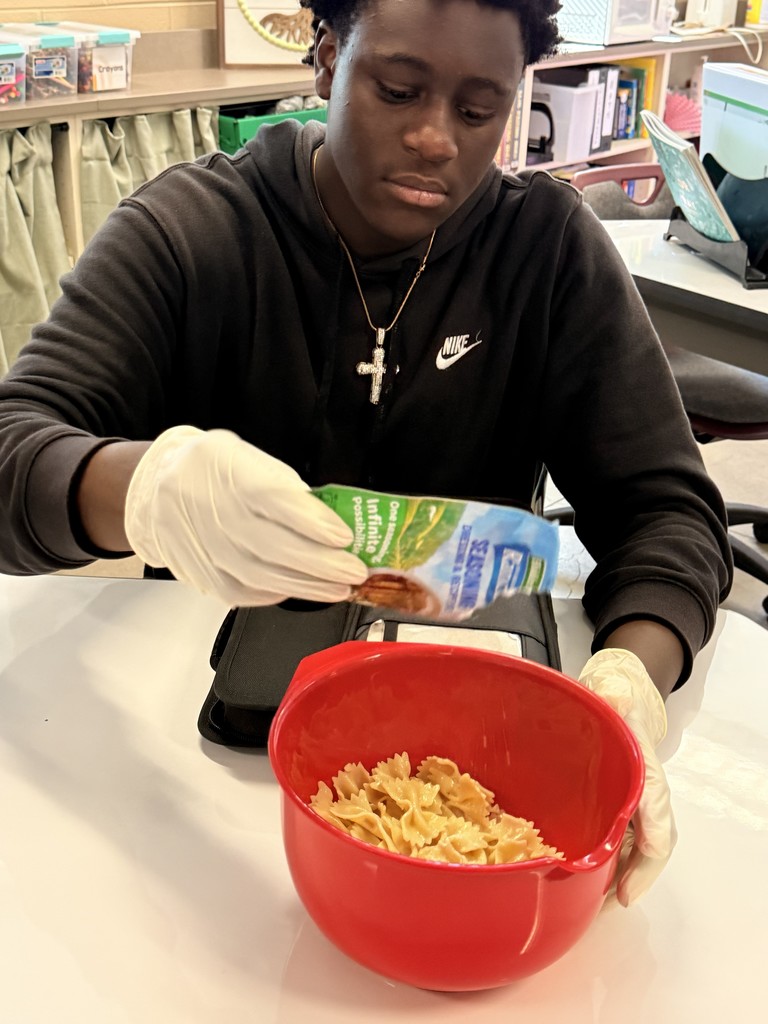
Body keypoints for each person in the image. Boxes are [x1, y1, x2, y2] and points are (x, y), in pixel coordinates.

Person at [0, 0, 731, 907]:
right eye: (396, 90)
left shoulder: (545, 252)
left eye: (479, 111)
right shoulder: (193, 233)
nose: (434, 140)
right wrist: (141, 490)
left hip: (466, 775)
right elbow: (13, 451)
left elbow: (666, 512)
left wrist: (631, 682)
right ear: (326, 59)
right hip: (201, 755)